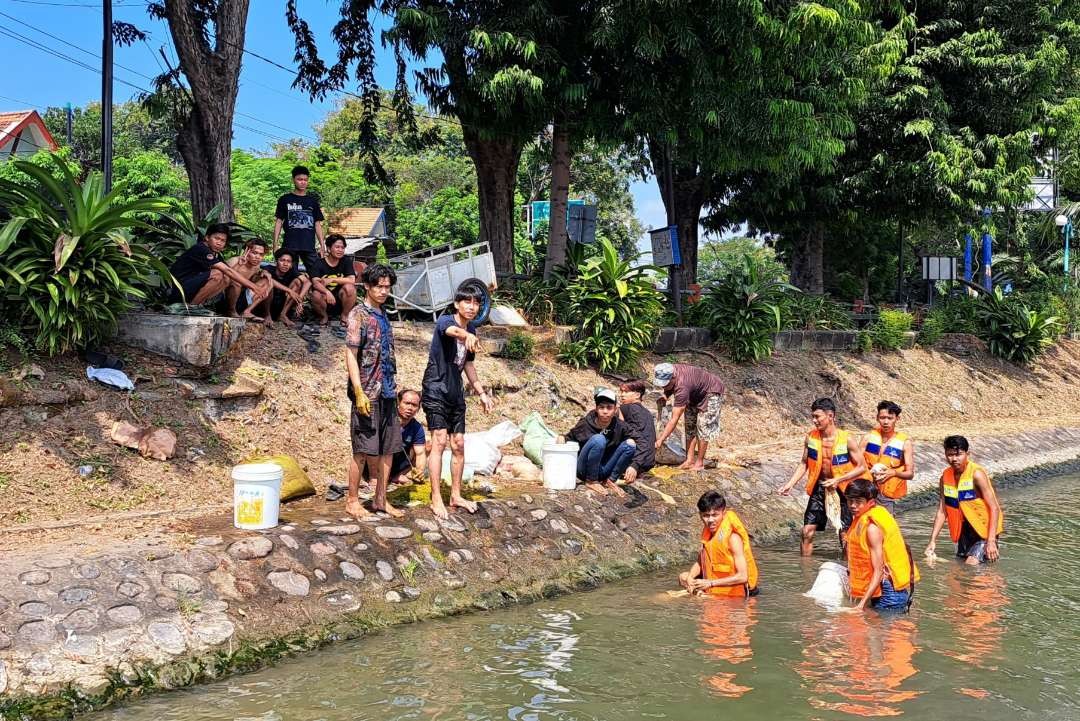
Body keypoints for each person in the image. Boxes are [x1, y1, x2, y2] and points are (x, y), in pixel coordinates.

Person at [422, 283, 495, 520]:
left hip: (455, 391)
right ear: (457, 304)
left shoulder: (472, 327)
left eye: (476, 303)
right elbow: (453, 332)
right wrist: (467, 334)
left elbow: (469, 365)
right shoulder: (446, 321)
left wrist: (481, 392)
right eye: (467, 302)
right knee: (439, 441)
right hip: (435, 387)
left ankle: (455, 494)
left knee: (459, 444)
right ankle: (435, 497)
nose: (472, 307)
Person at [344, 263, 403, 519]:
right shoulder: (359, 314)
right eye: (378, 286)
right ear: (367, 286)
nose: (383, 291)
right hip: (368, 391)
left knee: (388, 447)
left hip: (388, 390)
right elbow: (350, 353)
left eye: (387, 287)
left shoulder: (383, 314)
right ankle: (352, 499)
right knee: (362, 448)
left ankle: (381, 498)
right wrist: (358, 391)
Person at [777, 397, 869, 556]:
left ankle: (848, 570)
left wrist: (838, 480)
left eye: (817, 416)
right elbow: (804, 463)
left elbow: (862, 467)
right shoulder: (810, 437)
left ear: (830, 416)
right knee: (807, 531)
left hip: (844, 490)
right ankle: (805, 573)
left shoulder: (846, 438)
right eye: (813, 416)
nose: (814, 420)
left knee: (845, 534)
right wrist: (790, 484)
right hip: (820, 487)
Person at [925, 435, 1004, 565]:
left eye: (959, 454)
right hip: (963, 530)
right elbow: (942, 511)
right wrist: (932, 540)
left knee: (971, 565)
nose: (954, 459)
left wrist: (991, 541)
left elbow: (994, 508)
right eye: (950, 455)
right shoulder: (944, 478)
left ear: (967, 454)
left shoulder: (976, 475)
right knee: (961, 566)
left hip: (984, 530)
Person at [844, 478, 919, 613]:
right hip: (882, 592)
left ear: (871, 502)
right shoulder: (864, 517)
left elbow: (878, 571)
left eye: (858, 502)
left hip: (889, 596)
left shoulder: (872, 528)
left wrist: (861, 606)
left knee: (886, 632)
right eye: (850, 501)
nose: (853, 506)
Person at [679, 490, 760, 598]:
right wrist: (690, 577)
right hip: (714, 585)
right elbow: (701, 561)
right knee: (683, 577)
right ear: (700, 515)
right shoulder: (709, 535)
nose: (710, 520)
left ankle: (703, 596)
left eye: (715, 515)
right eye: (706, 515)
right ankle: (703, 595)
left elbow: (743, 576)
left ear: (724, 513)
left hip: (739, 593)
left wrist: (710, 583)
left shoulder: (733, 538)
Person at [167, 223, 269, 309]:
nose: (219, 243)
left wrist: (239, 264)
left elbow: (228, 276)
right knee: (217, 274)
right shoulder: (201, 249)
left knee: (225, 278)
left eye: (223, 240)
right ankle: (192, 307)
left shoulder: (215, 254)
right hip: (177, 290)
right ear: (207, 237)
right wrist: (254, 287)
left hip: (188, 290)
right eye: (217, 238)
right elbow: (226, 271)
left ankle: (197, 305)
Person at [561, 388, 636, 497]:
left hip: (603, 470)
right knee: (599, 439)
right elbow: (569, 437)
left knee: (630, 444)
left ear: (615, 410)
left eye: (609, 408)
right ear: (596, 409)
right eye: (601, 407)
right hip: (584, 469)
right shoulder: (585, 423)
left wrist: (634, 465)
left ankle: (610, 480)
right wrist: (561, 437)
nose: (605, 411)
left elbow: (640, 441)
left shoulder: (620, 426)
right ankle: (591, 481)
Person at [653, 362, 725, 471]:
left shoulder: (682, 386)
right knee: (689, 426)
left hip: (711, 392)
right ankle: (689, 460)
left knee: (703, 427)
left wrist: (661, 439)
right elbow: (668, 386)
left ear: (673, 377)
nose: (665, 386)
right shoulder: (669, 370)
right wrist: (665, 395)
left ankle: (699, 463)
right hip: (694, 393)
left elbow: (674, 419)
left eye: (666, 384)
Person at [860, 400, 915, 515]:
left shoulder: (905, 443)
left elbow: (910, 474)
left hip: (886, 496)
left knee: (885, 528)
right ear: (877, 418)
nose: (885, 422)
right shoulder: (867, 438)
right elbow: (856, 464)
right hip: (865, 491)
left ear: (897, 419)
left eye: (890, 418)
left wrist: (893, 473)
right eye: (882, 418)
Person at [272, 165, 325, 270]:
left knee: (317, 272)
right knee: (290, 275)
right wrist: (275, 244)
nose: (303, 182)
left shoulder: (312, 201)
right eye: (299, 179)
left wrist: (322, 245)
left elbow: (317, 224)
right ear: (293, 180)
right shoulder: (285, 199)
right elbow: (278, 222)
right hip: (290, 245)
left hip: (309, 245)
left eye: (305, 180)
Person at [309, 234, 358, 328]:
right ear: (329, 248)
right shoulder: (319, 263)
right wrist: (326, 292)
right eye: (337, 247)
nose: (340, 250)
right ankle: (324, 317)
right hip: (324, 300)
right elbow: (315, 283)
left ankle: (344, 316)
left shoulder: (346, 261)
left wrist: (332, 279)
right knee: (315, 294)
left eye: (342, 247)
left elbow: (352, 280)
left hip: (341, 299)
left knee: (350, 288)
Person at [253, 248, 310, 327]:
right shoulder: (269, 268)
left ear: (291, 265)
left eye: (288, 261)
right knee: (269, 283)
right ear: (276, 261)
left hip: (282, 305)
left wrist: (299, 299)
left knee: (298, 282)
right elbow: (266, 275)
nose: (285, 264)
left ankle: (283, 315)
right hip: (265, 305)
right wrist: (289, 291)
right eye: (282, 260)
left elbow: (308, 282)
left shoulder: (292, 272)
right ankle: (267, 315)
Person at [225, 239, 277, 320]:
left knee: (267, 280)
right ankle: (231, 311)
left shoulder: (256, 266)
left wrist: (263, 273)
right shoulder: (234, 261)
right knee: (236, 282)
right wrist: (238, 265)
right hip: (225, 300)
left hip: (241, 299)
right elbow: (224, 280)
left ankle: (247, 312)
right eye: (254, 253)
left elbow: (253, 280)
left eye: (261, 254)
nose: (257, 257)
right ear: (246, 251)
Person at [617, 379, 656, 484]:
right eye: (621, 392)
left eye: (626, 392)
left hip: (635, 460)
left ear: (637, 395)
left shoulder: (625, 408)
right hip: (648, 461)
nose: (622, 395)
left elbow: (618, 432)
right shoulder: (648, 413)